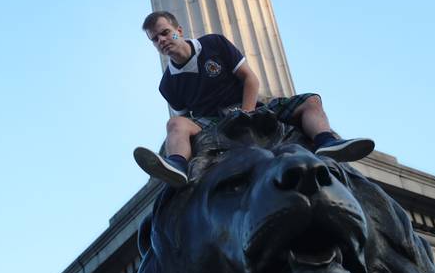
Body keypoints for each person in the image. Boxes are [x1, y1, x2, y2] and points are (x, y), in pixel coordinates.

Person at [134, 11, 374, 187]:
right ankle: (177, 165)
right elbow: (186, 118)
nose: (162, 41)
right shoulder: (167, 85)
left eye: (165, 33)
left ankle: (327, 142)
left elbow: (251, 79)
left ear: (179, 31)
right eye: (154, 39)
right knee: (175, 124)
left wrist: (246, 114)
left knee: (311, 101)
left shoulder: (214, 43)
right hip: (212, 122)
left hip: (251, 107)